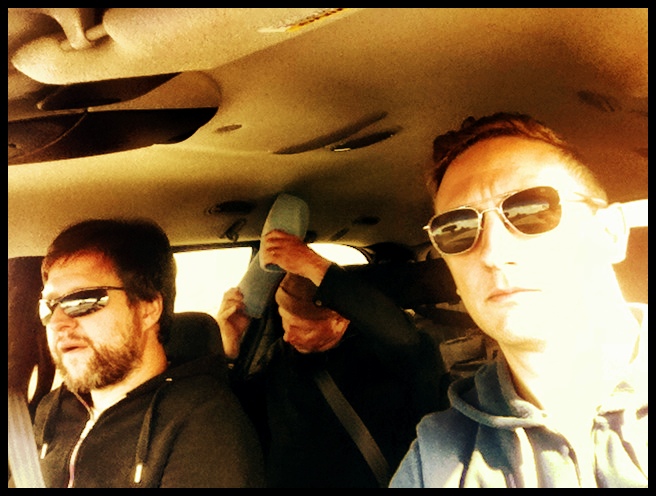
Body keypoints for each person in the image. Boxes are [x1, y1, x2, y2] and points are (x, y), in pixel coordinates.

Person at [390, 112, 648, 488]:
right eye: (456, 229)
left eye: (532, 210)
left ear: (609, 232)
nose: (493, 252)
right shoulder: (437, 459)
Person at [31, 218, 265, 488]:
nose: (57, 323)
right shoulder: (53, 408)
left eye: (81, 300)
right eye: (49, 306)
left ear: (148, 308)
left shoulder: (204, 421)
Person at [217, 229, 442, 488]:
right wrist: (230, 349)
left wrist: (313, 265)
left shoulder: (381, 353)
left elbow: (403, 337)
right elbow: (241, 417)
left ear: (339, 321)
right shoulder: (280, 355)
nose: (288, 336)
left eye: (301, 328)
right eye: (284, 321)